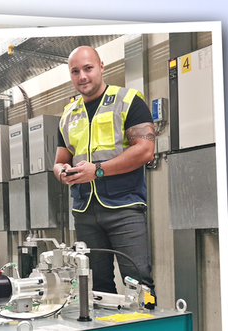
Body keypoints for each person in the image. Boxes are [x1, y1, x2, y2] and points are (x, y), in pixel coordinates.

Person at [54, 45, 156, 295]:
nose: (82, 76)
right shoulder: (68, 114)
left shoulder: (129, 100)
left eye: (88, 68)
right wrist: (61, 172)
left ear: (101, 66)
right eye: (75, 71)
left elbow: (145, 150)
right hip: (85, 212)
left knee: (138, 283)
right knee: (96, 286)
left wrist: (97, 171)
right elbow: (59, 160)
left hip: (124, 208)